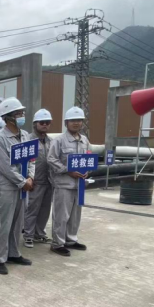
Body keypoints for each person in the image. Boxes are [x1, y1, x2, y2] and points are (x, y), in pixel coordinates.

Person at [0, 98, 34, 276]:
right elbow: (5, 167)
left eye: (22, 112)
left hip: (23, 186)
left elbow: (31, 159)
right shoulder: (0, 139)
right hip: (8, 187)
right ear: (8, 117)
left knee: (17, 223)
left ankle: (14, 253)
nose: (22, 116)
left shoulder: (25, 136)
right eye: (18, 113)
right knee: (4, 224)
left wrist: (30, 176)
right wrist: (23, 182)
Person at [48, 107, 89, 257]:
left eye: (79, 120)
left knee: (75, 215)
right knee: (61, 215)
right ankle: (57, 243)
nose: (76, 123)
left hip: (79, 185)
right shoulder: (59, 140)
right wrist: (67, 170)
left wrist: (87, 170)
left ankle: (71, 240)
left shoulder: (84, 140)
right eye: (72, 120)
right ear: (66, 122)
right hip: (64, 184)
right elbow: (51, 159)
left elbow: (88, 158)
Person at [23, 109, 55, 248]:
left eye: (47, 122)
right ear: (35, 124)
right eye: (42, 122)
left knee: (45, 210)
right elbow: (23, 161)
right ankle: (28, 235)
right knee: (32, 210)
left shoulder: (51, 141)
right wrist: (28, 178)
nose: (45, 125)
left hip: (49, 181)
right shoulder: (28, 140)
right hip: (35, 182)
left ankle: (39, 234)